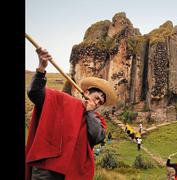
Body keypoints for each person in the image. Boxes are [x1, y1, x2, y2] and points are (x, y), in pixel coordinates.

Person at [25, 47, 117, 180]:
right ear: (86, 93)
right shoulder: (63, 100)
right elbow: (35, 93)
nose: (98, 103)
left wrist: (89, 112)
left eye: (101, 102)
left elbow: (98, 137)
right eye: (97, 98)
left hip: (72, 173)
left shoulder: (97, 119)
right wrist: (41, 68)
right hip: (47, 168)